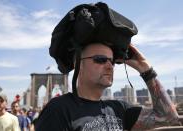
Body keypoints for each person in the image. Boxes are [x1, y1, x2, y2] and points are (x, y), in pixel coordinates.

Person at [35, 2, 180, 131]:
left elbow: (168, 117)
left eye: (112, 61)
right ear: (78, 64)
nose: (110, 66)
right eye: (100, 59)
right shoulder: (58, 110)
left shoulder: (119, 109)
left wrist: (146, 70)